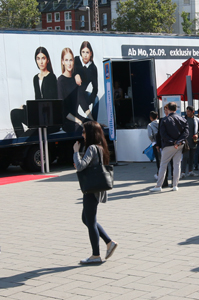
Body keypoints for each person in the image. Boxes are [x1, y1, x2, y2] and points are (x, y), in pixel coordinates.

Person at [73, 121, 117, 264]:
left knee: (90, 221)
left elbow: (80, 166)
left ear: (90, 133)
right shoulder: (101, 147)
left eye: (84, 132)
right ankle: (109, 242)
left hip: (91, 190)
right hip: (97, 188)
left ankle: (95, 255)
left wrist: (75, 152)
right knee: (86, 219)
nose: (82, 134)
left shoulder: (91, 148)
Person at [11, 47, 58, 138]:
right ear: (36, 60)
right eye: (38, 58)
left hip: (48, 120)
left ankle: (23, 141)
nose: (41, 62)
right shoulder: (35, 78)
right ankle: (21, 140)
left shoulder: (51, 77)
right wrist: (25, 108)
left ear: (47, 60)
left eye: (43, 58)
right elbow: (38, 100)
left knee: (26, 135)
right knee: (14, 113)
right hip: (38, 116)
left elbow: (49, 101)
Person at [150, 102, 189, 192]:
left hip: (168, 145)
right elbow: (186, 133)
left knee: (163, 164)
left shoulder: (164, 120)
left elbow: (163, 134)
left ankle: (159, 185)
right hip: (179, 145)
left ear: (168, 109)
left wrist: (173, 142)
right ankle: (175, 185)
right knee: (177, 164)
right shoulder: (182, 119)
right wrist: (178, 142)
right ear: (176, 109)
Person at [58, 47, 83, 133]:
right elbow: (63, 110)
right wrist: (78, 121)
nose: (69, 63)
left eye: (71, 60)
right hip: (68, 121)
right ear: (62, 61)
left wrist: (93, 121)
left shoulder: (75, 79)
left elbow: (82, 101)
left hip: (76, 117)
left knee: (95, 126)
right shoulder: (60, 81)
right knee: (83, 128)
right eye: (66, 60)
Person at [74, 41, 98, 121]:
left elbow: (95, 88)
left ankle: (94, 120)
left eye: (87, 52)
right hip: (72, 92)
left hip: (82, 93)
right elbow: (70, 72)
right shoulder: (76, 60)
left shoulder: (93, 68)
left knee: (96, 99)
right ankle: (91, 120)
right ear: (80, 52)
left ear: (91, 53)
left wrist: (90, 99)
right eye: (83, 52)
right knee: (77, 92)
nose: (85, 55)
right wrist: (76, 75)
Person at [181, 106, 199, 178]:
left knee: (192, 156)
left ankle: (190, 171)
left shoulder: (196, 120)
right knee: (185, 157)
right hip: (185, 141)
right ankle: (183, 172)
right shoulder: (183, 119)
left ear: (193, 112)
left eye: (189, 111)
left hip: (193, 140)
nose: (187, 113)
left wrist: (197, 135)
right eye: (187, 111)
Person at [147, 111, 160, 179]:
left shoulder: (150, 125)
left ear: (150, 117)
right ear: (157, 116)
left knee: (158, 160)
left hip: (155, 143)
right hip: (163, 143)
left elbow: (150, 135)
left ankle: (159, 174)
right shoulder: (161, 122)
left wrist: (152, 140)